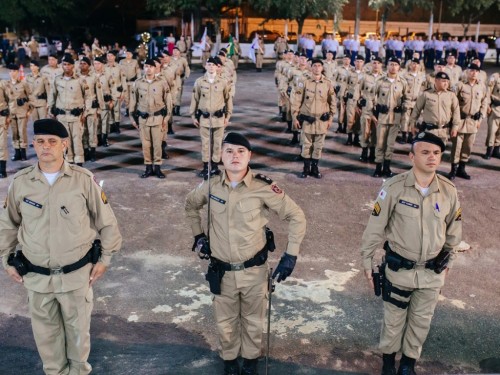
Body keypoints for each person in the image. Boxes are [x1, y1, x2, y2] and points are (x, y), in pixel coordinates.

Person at [0, 118, 122, 374]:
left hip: (76, 276)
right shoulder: (21, 183)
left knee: (78, 342)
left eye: (52, 142)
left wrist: (105, 258)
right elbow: (7, 225)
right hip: (36, 278)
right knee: (48, 345)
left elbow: (108, 223)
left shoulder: (83, 180)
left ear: (64, 145)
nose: (46, 147)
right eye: (41, 141)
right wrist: (7, 259)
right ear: (33, 143)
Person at [185, 132, 306, 375]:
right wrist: (199, 236)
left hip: (254, 272)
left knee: (253, 323)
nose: (235, 156)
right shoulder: (210, 186)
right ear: (221, 156)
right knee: (225, 324)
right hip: (222, 272)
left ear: (249, 156)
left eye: (241, 151)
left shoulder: (264, 187)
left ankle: (250, 364)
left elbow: (296, 216)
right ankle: (230, 364)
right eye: (229, 151)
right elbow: (190, 206)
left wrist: (290, 255)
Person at [361, 131, 462, 375]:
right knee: (394, 321)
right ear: (411, 156)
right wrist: (366, 258)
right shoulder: (393, 188)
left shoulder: (448, 190)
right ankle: (388, 363)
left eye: (436, 153)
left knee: (421, 322)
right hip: (400, 270)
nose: (432, 158)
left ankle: (407, 365)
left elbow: (454, 231)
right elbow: (375, 227)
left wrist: (449, 262)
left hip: (431, 273)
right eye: (425, 152)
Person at [292, 59, 336, 178]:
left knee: (318, 145)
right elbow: (297, 100)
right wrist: (295, 117)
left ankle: (315, 168)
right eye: (314, 66)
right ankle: (306, 168)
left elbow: (332, 102)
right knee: (306, 145)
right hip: (307, 120)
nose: (317, 68)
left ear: (322, 68)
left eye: (319, 66)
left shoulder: (327, 83)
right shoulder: (304, 82)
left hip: (322, 120)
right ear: (311, 67)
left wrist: (331, 118)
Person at [189, 56, 233, 178]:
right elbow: (195, 99)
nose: (211, 67)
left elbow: (228, 99)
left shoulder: (223, 82)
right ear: (205, 66)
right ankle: (205, 167)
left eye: (213, 65)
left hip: (219, 118)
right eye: (209, 64)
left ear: (217, 67)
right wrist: (193, 116)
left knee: (218, 143)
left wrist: (228, 116)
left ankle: (214, 166)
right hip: (204, 118)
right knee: (205, 144)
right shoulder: (199, 82)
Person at [129, 58, 172, 179]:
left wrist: (166, 117)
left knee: (157, 144)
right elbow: (133, 101)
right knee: (146, 144)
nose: (148, 68)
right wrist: (132, 117)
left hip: (158, 118)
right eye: (146, 66)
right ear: (144, 68)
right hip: (143, 119)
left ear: (155, 68)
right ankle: (148, 167)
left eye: (150, 66)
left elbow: (168, 101)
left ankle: (157, 167)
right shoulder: (138, 83)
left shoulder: (162, 83)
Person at [48, 55, 90, 166]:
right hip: (62, 115)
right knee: (64, 141)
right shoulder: (57, 80)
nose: (66, 67)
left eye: (69, 64)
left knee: (77, 140)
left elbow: (88, 97)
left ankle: (79, 163)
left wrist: (85, 113)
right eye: (64, 64)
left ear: (73, 66)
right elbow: (52, 95)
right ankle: (68, 162)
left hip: (76, 115)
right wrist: (50, 109)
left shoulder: (80, 80)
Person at [449, 63, 488, 180]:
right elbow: (452, 102)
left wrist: (480, 118)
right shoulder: (460, 85)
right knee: (457, 146)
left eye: (476, 71)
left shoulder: (481, 87)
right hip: (460, 120)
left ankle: (462, 169)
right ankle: (453, 170)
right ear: (467, 72)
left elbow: (484, 103)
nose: (474, 73)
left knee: (468, 146)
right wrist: (453, 122)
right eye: (472, 70)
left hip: (473, 122)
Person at [371, 57, 408, 178]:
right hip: (382, 118)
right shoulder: (380, 81)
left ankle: (386, 168)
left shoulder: (402, 82)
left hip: (395, 119)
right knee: (380, 144)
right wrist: (374, 112)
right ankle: (377, 168)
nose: (393, 67)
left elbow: (407, 99)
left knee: (390, 145)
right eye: (391, 64)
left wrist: (402, 107)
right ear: (387, 66)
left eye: (396, 65)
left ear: (399, 67)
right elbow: (370, 98)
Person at [409, 71, 461, 147]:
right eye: (443, 81)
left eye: (447, 81)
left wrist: (455, 127)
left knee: (438, 154)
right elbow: (416, 110)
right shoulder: (426, 94)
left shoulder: (451, 95)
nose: (446, 83)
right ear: (436, 81)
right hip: (429, 130)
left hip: (443, 131)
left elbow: (456, 112)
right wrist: (412, 124)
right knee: (428, 152)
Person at [6, 63, 31, 162]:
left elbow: (30, 97)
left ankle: (23, 152)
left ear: (17, 72)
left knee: (22, 132)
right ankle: (17, 152)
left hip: (22, 112)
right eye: (11, 71)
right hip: (11, 112)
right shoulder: (6, 85)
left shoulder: (23, 84)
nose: (13, 73)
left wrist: (29, 111)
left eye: (15, 71)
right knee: (14, 133)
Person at [484, 73, 500, 159]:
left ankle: (496, 151)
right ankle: (489, 151)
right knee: (492, 131)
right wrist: (488, 105)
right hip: (495, 109)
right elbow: (488, 92)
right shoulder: (495, 77)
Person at [0, 80, 10, 177]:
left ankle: (2, 170)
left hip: (1, 119)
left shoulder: (2, 84)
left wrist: (9, 116)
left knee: (2, 145)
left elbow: (10, 99)